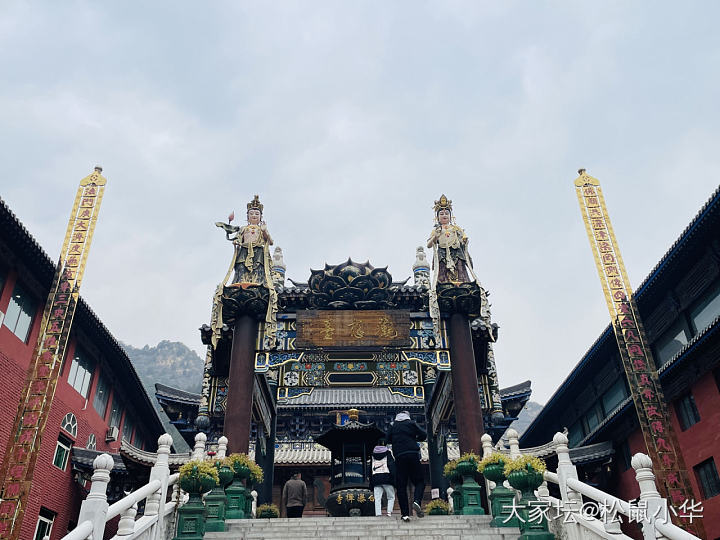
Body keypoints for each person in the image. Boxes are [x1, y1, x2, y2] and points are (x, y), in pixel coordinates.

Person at [386, 411, 427, 522]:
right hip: (413, 454)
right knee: (420, 481)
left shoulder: (393, 425)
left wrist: (395, 440)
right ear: (407, 416)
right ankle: (417, 501)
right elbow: (424, 434)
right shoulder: (411, 423)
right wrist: (414, 438)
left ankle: (404, 514)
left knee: (401, 486)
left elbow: (386, 439)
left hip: (399, 457)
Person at [427, 194, 475, 284]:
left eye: (446, 213)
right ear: (437, 217)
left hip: (456, 251)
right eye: (441, 214)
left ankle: (463, 282)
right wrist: (435, 236)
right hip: (442, 252)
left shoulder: (456, 228)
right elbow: (429, 245)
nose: (444, 215)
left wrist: (464, 241)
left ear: (450, 216)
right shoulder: (437, 230)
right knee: (442, 270)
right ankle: (443, 282)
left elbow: (463, 239)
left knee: (460, 267)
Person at [369, 442, 396, 517]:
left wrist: (371, 482)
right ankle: (389, 512)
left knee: (377, 498)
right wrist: (394, 479)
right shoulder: (388, 453)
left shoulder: (373, 455)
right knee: (391, 497)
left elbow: (370, 469)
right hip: (387, 478)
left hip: (376, 478)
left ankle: (378, 513)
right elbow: (391, 466)